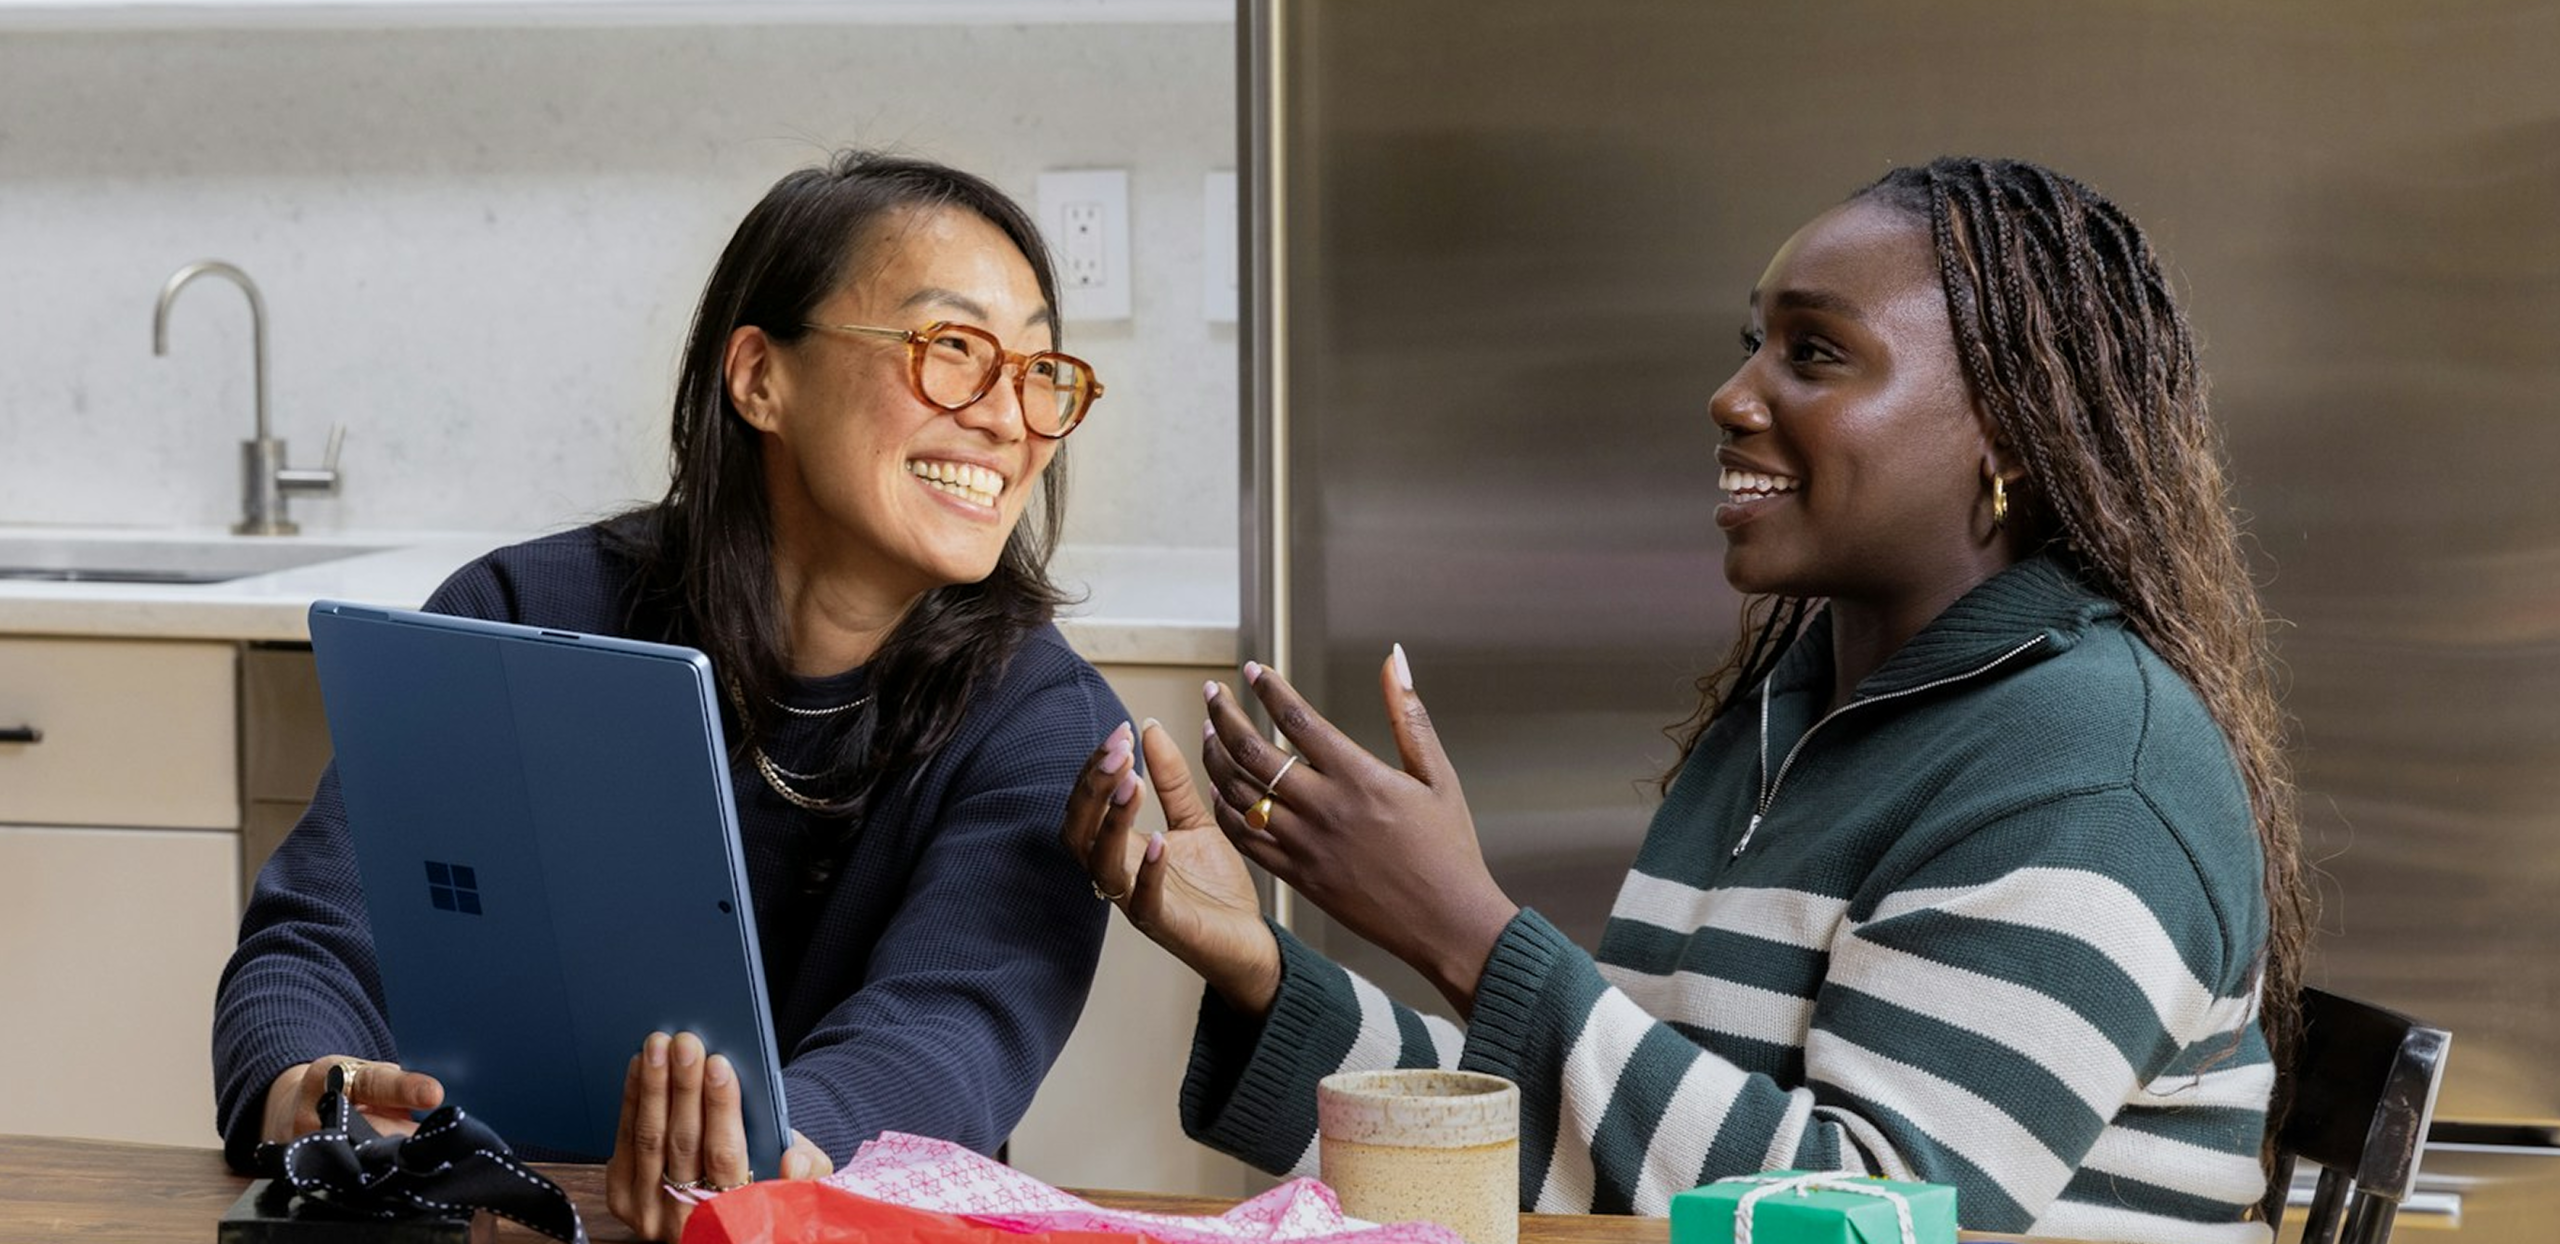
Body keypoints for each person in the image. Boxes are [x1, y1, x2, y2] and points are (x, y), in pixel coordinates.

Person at [1062, 156, 2310, 1244]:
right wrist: (1260, 974)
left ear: (2012, 434)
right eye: (1751, 343)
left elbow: (1862, 1216)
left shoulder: (2089, 766)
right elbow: (1634, 1144)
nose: (1733, 394)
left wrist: (1464, 929)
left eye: (1813, 351)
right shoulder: (1794, 712)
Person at [215, 150, 1130, 1241]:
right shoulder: (509, 611)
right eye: (953, 350)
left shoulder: (1045, 721)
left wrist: (761, 1156)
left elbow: (950, 1034)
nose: (1005, 417)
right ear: (758, 376)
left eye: (1037, 372)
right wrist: (306, 1091)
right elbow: (319, 938)